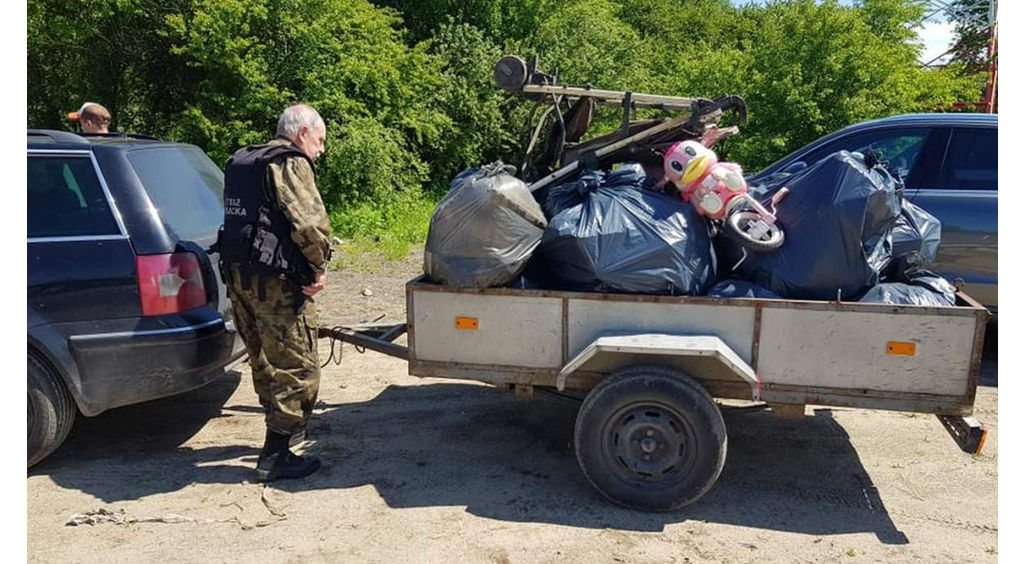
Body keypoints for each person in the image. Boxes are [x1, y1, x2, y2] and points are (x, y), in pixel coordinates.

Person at [218, 104, 332, 482]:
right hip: (275, 284)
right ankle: (277, 453)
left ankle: (281, 429)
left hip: (240, 278)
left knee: (264, 359)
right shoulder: (289, 163)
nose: (320, 150)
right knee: (298, 365)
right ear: (302, 134)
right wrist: (318, 268)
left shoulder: (244, 161)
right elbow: (311, 225)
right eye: (319, 141)